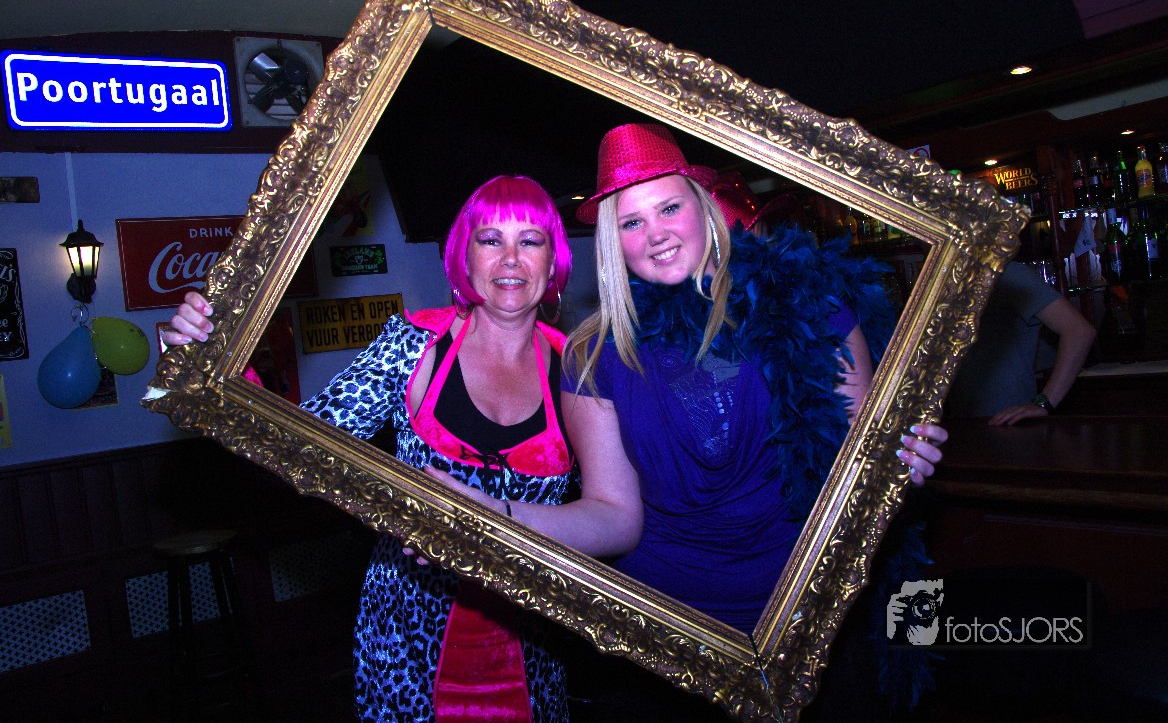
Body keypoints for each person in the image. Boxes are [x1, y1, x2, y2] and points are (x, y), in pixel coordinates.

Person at [431, 123, 947, 720]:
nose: (656, 234)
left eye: (669, 208)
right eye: (631, 222)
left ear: (705, 209)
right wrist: (498, 516)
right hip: (667, 642)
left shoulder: (811, 309)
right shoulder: (592, 357)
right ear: (613, 244)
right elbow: (614, 517)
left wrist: (900, 461)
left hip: (808, 624)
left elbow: (857, 466)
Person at [163, 175, 577, 723]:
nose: (510, 259)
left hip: (532, 647)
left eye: (530, 240)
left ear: (552, 260)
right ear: (465, 256)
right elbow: (301, 446)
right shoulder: (414, 345)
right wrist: (210, 362)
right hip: (406, 644)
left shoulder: (579, 368)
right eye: (490, 239)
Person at [945, 260, 1096, 425]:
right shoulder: (941, 281)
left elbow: (1079, 331)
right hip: (961, 423)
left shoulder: (1004, 272)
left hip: (1009, 423)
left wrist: (1044, 403)